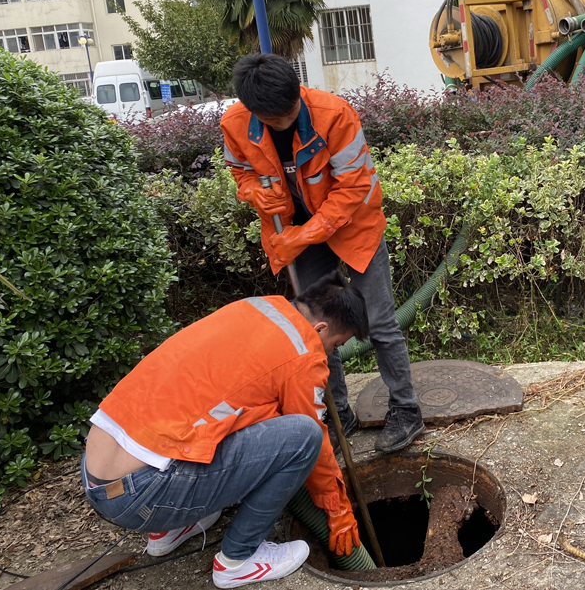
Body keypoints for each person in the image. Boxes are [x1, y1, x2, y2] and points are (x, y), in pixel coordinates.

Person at [81, 272, 366, 589]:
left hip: (99, 473)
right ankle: (237, 560)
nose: (329, 354)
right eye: (335, 345)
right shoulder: (303, 352)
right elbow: (312, 433)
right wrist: (337, 509)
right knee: (304, 437)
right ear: (320, 329)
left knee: (233, 413)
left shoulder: (256, 307)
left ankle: (171, 529)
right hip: (143, 492)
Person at [221, 53, 425, 453]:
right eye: (273, 119)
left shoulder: (334, 115)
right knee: (315, 329)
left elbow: (352, 187)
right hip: (294, 233)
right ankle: (338, 414)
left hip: (354, 226)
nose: (282, 122)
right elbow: (240, 172)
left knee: (380, 321)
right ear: (254, 110)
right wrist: (253, 194)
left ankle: (406, 410)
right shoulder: (234, 123)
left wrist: (307, 234)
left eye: (289, 113)